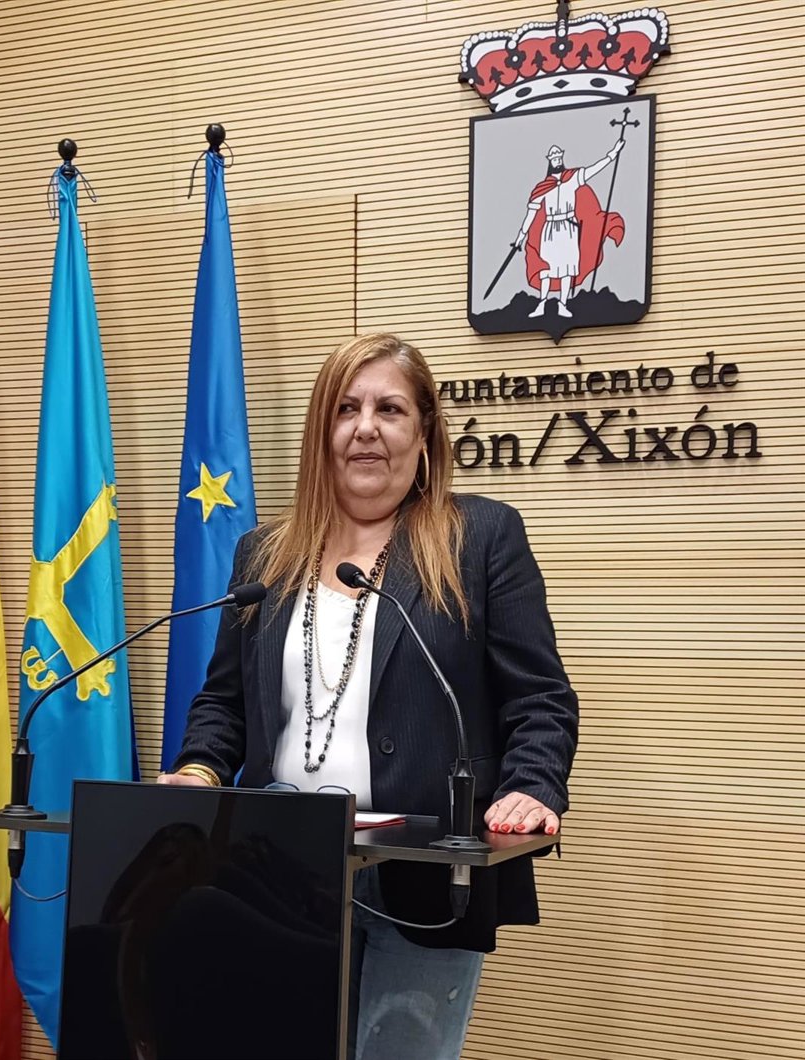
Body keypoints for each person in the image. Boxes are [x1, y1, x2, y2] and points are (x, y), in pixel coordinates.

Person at [160, 333, 578, 1059]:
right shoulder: (264, 554)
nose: (366, 428)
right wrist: (199, 769)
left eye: (390, 409)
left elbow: (539, 698)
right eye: (346, 409)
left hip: (426, 873)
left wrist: (532, 786)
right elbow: (224, 701)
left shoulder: (480, 538)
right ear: (321, 430)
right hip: (277, 867)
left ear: (424, 432)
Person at [514, 140, 624, 319]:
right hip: (550, 229)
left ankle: (563, 304)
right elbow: (531, 214)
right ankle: (542, 303)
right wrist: (521, 236)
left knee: (567, 268)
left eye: (559, 157)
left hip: (568, 228)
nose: (557, 160)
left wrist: (612, 154)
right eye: (554, 158)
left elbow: (593, 170)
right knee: (545, 268)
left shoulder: (572, 178)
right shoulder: (542, 188)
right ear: (550, 161)